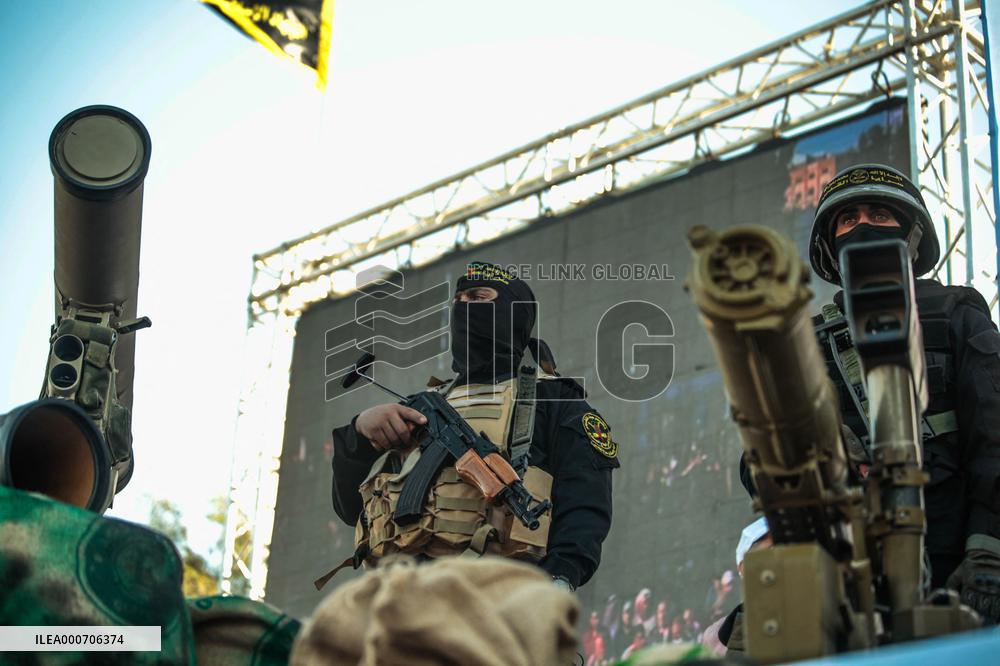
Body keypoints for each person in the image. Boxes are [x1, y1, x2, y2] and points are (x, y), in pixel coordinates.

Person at [328, 261, 619, 592]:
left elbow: (585, 500)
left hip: (499, 597)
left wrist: (560, 577)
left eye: (480, 298)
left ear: (513, 313)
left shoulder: (554, 401)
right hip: (403, 599)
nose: (465, 308)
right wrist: (360, 435)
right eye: (459, 300)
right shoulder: (416, 408)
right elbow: (349, 508)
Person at [801, 163, 1000, 622]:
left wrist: (987, 552)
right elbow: (761, 464)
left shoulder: (955, 313)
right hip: (848, 573)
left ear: (912, 238)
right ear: (832, 248)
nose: (863, 227)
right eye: (847, 221)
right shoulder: (807, 343)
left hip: (958, 557)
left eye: (879, 215)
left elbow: (994, 436)